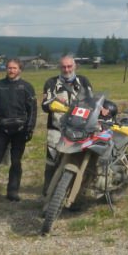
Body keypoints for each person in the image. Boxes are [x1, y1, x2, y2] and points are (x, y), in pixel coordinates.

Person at [0, 58, 37, 207]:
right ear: (6, 69)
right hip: (2, 129)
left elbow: (32, 110)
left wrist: (29, 128)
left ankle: (12, 192)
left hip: (20, 130)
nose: (11, 70)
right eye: (9, 68)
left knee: (16, 162)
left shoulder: (27, 87)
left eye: (15, 68)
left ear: (20, 69)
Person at [41, 55, 93, 195]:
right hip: (57, 128)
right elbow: (45, 105)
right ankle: (48, 191)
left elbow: (91, 101)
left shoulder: (83, 81)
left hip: (79, 128)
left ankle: (75, 192)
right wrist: (57, 105)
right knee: (52, 159)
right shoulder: (51, 83)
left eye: (69, 66)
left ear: (75, 66)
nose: (67, 69)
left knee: (79, 159)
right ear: (60, 67)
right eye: (64, 66)